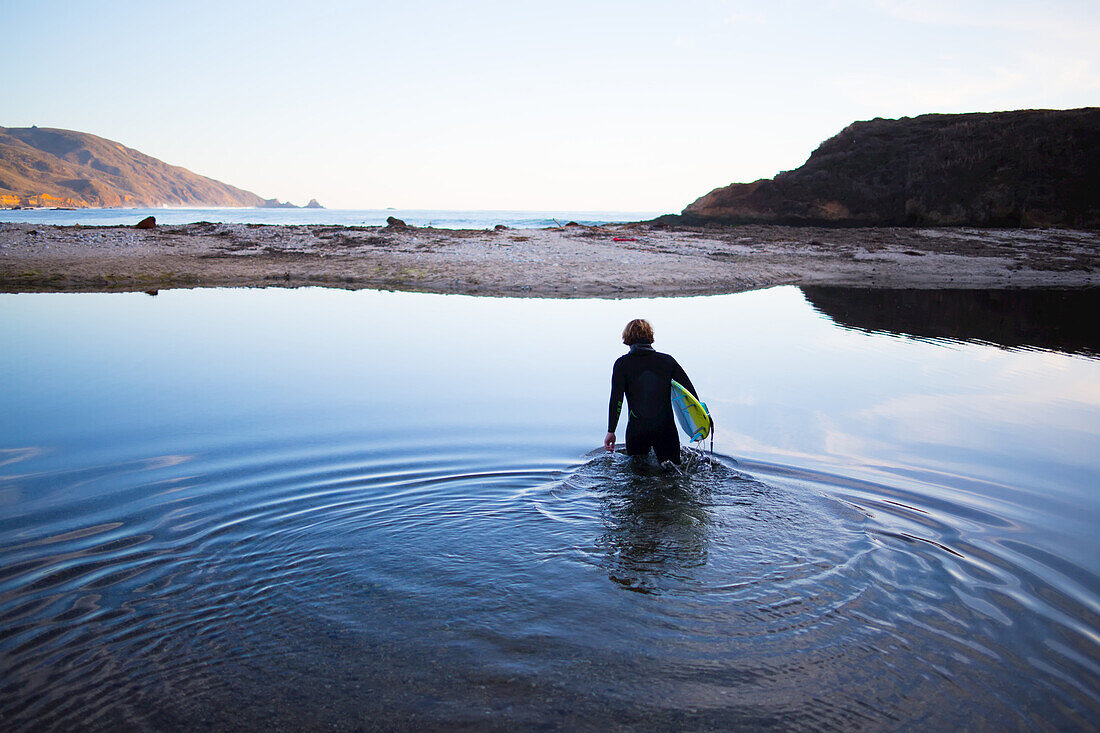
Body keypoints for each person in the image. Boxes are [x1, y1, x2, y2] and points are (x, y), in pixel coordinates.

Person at [604, 318, 700, 465]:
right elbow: (690, 394)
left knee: (638, 479)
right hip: (665, 429)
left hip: (637, 430)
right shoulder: (667, 361)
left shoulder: (622, 364)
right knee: (672, 474)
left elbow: (616, 399)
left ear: (627, 338)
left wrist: (611, 431)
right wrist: (702, 421)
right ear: (650, 336)